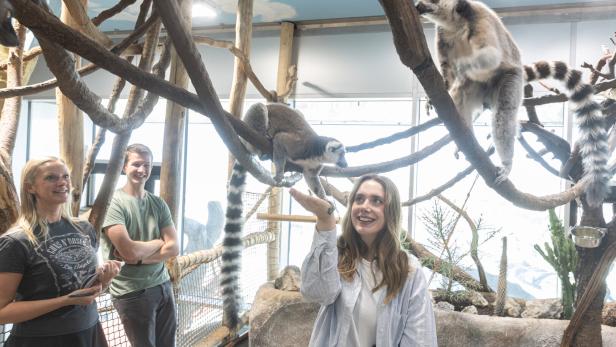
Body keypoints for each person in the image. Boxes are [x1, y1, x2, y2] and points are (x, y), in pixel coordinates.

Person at [291, 174, 438, 346]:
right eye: (359, 199)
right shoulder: (336, 254)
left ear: (391, 211)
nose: (365, 207)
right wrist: (325, 221)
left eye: (376, 201)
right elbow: (315, 293)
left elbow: (420, 339)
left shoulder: (409, 270)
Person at [0, 157, 121, 347]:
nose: (62, 182)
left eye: (65, 176)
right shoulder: (16, 242)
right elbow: (2, 312)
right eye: (51, 178)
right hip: (42, 341)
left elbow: (86, 290)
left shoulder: (84, 228)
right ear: (30, 187)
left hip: (89, 332)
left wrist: (105, 281)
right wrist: (64, 301)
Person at [101, 143, 179, 347]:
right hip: (132, 291)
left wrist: (139, 259)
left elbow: (174, 247)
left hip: (163, 284)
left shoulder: (158, 203)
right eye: (136, 164)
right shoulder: (113, 203)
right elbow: (129, 250)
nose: (142, 170)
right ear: (124, 167)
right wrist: (158, 242)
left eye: (147, 165)